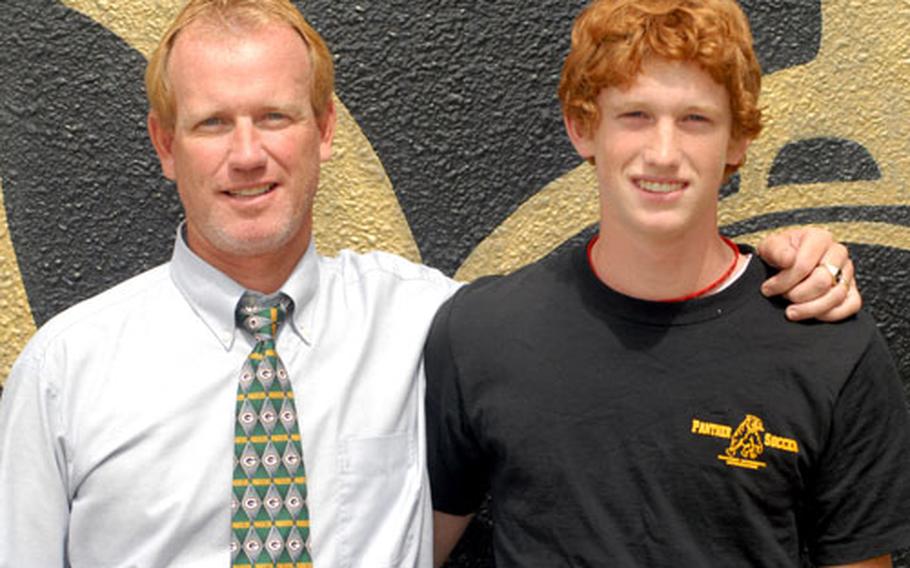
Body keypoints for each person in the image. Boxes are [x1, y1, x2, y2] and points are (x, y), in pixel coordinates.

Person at [0, 0, 863, 566]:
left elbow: (617, 293)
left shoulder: (434, 322)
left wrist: (788, 251)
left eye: (275, 116)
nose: (248, 153)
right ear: (163, 144)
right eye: (211, 123)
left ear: (325, 130)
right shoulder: (66, 370)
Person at [425, 0, 910, 566]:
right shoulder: (483, 331)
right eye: (634, 116)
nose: (663, 153)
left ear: (738, 140)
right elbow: (417, 546)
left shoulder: (827, 345)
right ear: (584, 128)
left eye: (695, 120)